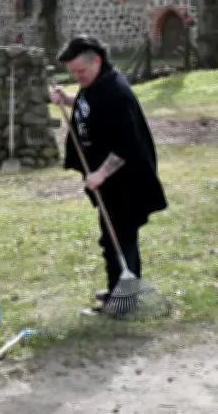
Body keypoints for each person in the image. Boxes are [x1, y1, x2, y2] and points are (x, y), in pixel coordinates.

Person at [50, 35, 168, 316]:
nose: (78, 77)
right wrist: (68, 100)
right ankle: (118, 288)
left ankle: (124, 301)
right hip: (110, 182)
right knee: (111, 234)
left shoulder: (116, 93)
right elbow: (92, 109)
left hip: (127, 181)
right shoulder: (96, 85)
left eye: (81, 71)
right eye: (73, 73)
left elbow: (127, 145)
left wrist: (100, 174)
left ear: (98, 62)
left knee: (121, 236)